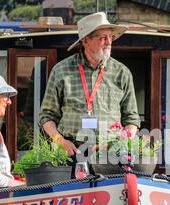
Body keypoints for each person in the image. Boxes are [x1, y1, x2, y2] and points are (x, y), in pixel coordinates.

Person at [39, 11, 140, 159]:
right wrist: (60, 141)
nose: (109, 42)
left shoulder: (122, 73)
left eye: (110, 37)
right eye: (102, 38)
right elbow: (46, 116)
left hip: (111, 152)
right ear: (86, 40)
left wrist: (122, 143)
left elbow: (132, 119)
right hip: (72, 150)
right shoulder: (61, 70)